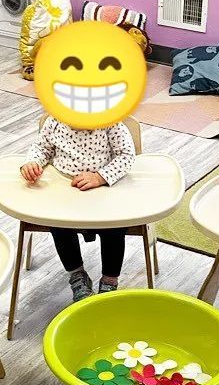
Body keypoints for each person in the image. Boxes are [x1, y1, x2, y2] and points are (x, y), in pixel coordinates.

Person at [20, 115, 136, 301]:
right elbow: (42, 148)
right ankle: (77, 275)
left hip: (103, 195)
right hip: (63, 192)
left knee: (115, 228)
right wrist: (33, 162)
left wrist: (100, 177)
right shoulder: (56, 120)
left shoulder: (110, 122)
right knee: (58, 226)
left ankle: (109, 280)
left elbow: (126, 155)